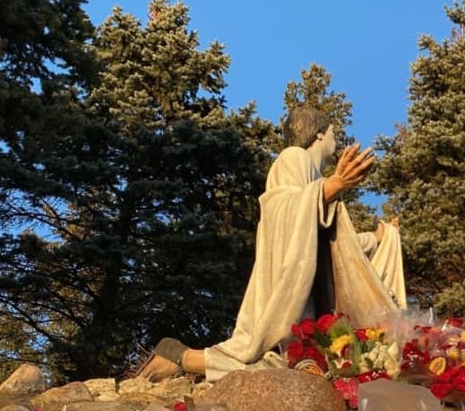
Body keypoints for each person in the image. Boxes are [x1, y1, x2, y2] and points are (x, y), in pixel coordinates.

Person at [139, 107, 404, 381]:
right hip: (287, 285)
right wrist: (333, 186)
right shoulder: (294, 157)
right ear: (319, 134)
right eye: (333, 132)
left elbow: (334, 242)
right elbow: (281, 207)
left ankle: (180, 357)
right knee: (273, 360)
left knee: (281, 366)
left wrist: (378, 238)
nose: (336, 138)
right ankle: (180, 356)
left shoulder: (313, 175)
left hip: (305, 290)